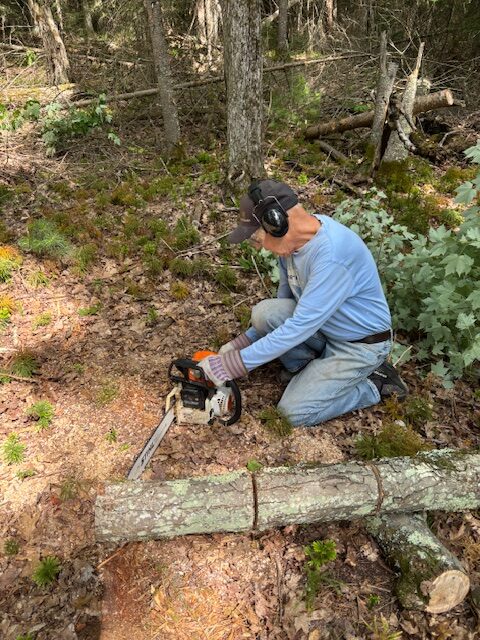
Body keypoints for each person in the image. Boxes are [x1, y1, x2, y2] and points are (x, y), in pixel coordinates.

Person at [199, 179, 408, 427]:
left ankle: (375, 383)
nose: (261, 247)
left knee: (291, 414)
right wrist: (241, 343)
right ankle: (306, 368)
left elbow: (299, 326)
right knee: (265, 313)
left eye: (258, 238)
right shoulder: (293, 245)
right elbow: (286, 307)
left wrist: (231, 366)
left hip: (359, 347)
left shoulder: (332, 256)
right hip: (325, 329)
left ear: (277, 224)